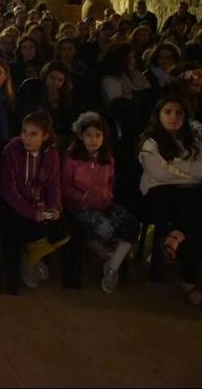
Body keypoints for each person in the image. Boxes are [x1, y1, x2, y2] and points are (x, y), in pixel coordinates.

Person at [138, 95, 202, 308]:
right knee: (194, 215)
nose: (173, 117)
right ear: (159, 115)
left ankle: (176, 238)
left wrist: (173, 166)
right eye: (168, 112)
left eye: (178, 113)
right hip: (160, 194)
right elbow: (159, 173)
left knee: (198, 212)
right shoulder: (150, 141)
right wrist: (191, 173)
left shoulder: (194, 139)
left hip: (189, 196)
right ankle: (189, 284)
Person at [61, 113, 140, 294]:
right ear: (81, 136)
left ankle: (112, 265)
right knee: (101, 228)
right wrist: (84, 197)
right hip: (80, 207)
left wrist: (106, 195)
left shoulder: (107, 158)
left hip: (104, 204)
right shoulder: (72, 158)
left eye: (98, 135)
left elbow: (110, 182)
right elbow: (64, 186)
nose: (93, 140)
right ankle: (109, 256)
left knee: (131, 225)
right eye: (89, 135)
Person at [0, 111, 70, 291]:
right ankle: (28, 263)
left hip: (39, 203)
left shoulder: (51, 153)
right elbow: (8, 190)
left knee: (63, 229)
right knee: (31, 228)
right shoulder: (12, 150)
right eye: (24, 132)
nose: (27, 138)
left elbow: (53, 184)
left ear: (45, 136)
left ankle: (32, 258)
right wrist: (30, 211)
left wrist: (54, 206)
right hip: (15, 205)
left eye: (33, 134)